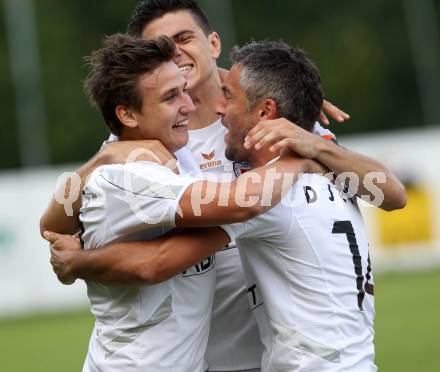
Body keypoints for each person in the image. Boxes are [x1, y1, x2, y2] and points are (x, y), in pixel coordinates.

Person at [41, 1, 406, 371]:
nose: (177, 52)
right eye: (164, 45)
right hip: (202, 356)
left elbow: (388, 194)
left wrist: (312, 138)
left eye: (184, 38)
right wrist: (94, 165)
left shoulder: (275, 124)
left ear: (213, 44)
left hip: (263, 353)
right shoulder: (139, 143)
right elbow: (56, 223)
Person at [59, 32, 321, 372]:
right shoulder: (130, 178)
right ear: (127, 115)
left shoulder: (175, 161)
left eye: (185, 89)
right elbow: (242, 204)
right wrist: (300, 153)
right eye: (171, 97)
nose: (190, 104)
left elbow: (52, 221)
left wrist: (292, 97)